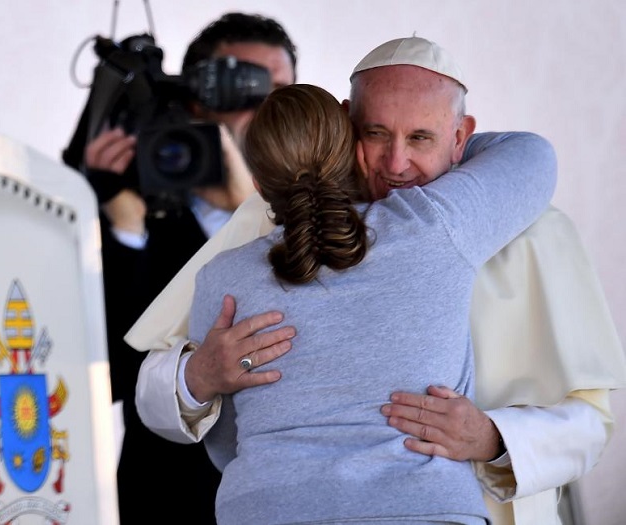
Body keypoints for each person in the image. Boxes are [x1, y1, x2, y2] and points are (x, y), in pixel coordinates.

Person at [127, 37, 626, 524]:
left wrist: (493, 437)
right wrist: (197, 376)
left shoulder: (533, 231)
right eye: (376, 133)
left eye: (422, 137)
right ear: (346, 128)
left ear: (461, 137)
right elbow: (153, 390)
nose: (396, 163)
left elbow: (590, 423)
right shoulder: (265, 219)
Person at [191, 81, 555, 524]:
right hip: (424, 509)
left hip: (267, 508)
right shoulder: (432, 226)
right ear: (357, 156)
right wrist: (443, 138)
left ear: (258, 184)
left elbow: (225, 442)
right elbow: (533, 157)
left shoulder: (221, 278)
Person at [62, 12, 298, 525]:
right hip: (168, 496)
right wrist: (118, 224)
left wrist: (248, 213)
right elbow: (103, 378)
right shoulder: (130, 212)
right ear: (195, 99)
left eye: (281, 93)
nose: (265, 112)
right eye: (243, 92)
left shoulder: (329, 216)